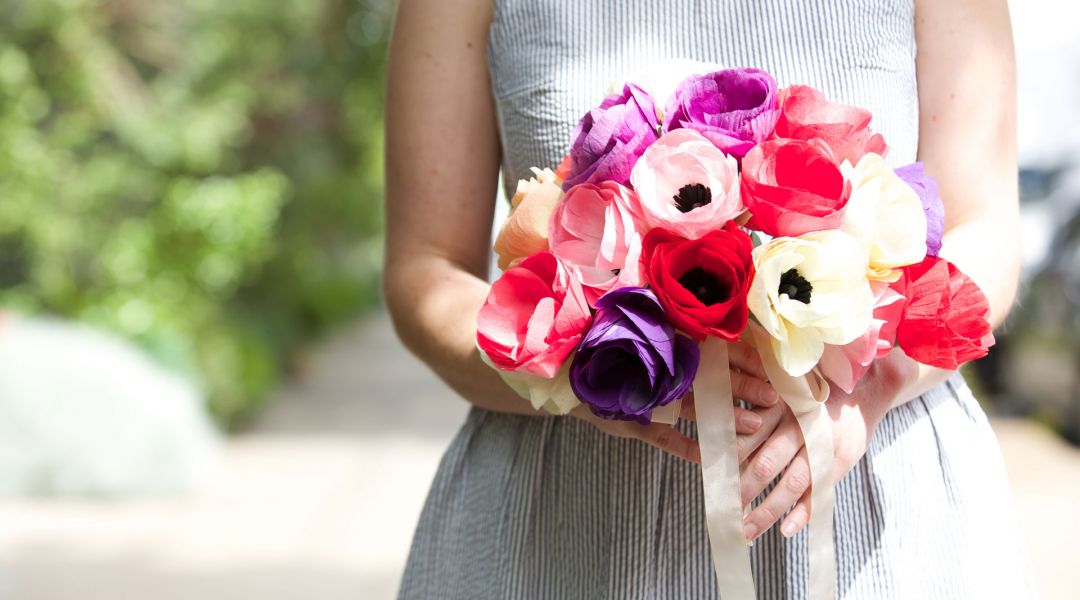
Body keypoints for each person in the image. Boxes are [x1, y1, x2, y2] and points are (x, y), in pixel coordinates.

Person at [383, 0, 1036, 597]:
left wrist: (866, 390)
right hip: (565, 521)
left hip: (871, 494)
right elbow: (427, 269)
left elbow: (985, 231)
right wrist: (589, 371)